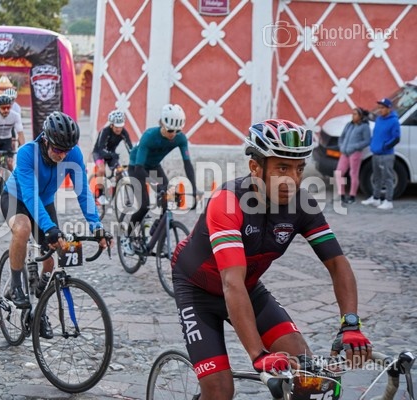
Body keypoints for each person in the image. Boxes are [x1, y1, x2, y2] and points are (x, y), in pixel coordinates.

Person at [171, 119, 371, 400]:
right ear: (255, 167)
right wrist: (258, 354)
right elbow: (231, 282)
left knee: (306, 376)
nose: (293, 179)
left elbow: (337, 264)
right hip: (198, 291)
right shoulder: (228, 202)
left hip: (248, 289)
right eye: (282, 168)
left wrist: (350, 323)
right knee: (220, 391)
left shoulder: (302, 204)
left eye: (299, 168)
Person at [0, 111, 110, 339]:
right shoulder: (27, 153)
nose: (62, 155)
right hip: (16, 197)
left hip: (44, 201)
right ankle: (15, 284)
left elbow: (83, 192)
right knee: (23, 229)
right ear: (46, 140)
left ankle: (39, 308)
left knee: (52, 256)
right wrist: (49, 228)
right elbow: (30, 196)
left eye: (66, 150)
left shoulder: (73, 154)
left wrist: (96, 226)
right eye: (58, 149)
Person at [124, 104, 197, 246]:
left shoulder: (180, 139)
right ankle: (127, 238)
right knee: (144, 205)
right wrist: (156, 186)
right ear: (162, 124)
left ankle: (158, 231)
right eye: (170, 130)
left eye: (177, 131)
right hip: (137, 167)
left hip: (154, 166)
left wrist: (194, 189)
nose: (173, 134)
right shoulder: (149, 136)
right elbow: (139, 168)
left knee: (167, 200)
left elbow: (187, 164)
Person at [361, 98, 400, 210]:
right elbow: (376, 134)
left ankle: (388, 201)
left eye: (382, 108)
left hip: (386, 155)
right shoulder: (379, 119)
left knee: (388, 178)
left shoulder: (394, 121)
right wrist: (373, 144)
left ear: (389, 108)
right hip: (376, 153)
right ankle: (376, 198)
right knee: (377, 177)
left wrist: (384, 147)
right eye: (379, 107)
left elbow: (396, 138)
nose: (380, 110)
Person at [91, 110, 133, 204]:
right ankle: (99, 195)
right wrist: (112, 155)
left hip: (111, 154)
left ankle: (117, 192)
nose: (119, 129)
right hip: (99, 153)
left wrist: (134, 158)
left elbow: (130, 148)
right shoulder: (105, 132)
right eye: (116, 127)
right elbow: (101, 149)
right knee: (101, 170)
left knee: (120, 171)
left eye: (120, 126)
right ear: (111, 125)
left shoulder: (124, 132)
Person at [0, 94, 25, 194]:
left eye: (8, 107)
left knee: (9, 162)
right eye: (3, 108)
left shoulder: (15, 116)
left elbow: (20, 133)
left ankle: (15, 183)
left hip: (7, 140)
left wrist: (23, 147)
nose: (6, 110)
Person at [334, 107, 371, 204]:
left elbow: (367, 141)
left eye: (355, 114)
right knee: (339, 172)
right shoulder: (349, 125)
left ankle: (352, 196)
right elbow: (342, 137)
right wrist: (341, 146)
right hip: (344, 152)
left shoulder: (364, 127)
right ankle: (341, 194)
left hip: (355, 153)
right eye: (352, 114)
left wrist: (355, 146)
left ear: (360, 116)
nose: (353, 116)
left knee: (353, 174)